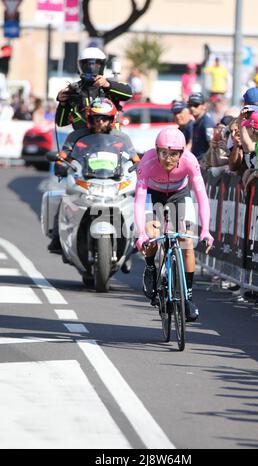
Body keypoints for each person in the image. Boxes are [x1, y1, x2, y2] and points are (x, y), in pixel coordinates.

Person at [49, 98, 139, 275]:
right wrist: (61, 162)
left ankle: (134, 241)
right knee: (63, 199)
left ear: (111, 119)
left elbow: (135, 159)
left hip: (114, 181)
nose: (100, 122)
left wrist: (139, 167)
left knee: (135, 202)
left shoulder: (121, 137)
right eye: (96, 118)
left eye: (104, 118)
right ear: (89, 118)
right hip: (87, 179)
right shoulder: (77, 136)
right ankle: (57, 239)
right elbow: (64, 154)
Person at [134, 127, 214, 322]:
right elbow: (139, 200)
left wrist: (205, 230)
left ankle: (187, 298)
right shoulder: (147, 162)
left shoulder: (190, 161)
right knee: (152, 232)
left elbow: (202, 196)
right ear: (157, 150)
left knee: (186, 241)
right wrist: (141, 234)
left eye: (173, 154)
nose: (168, 159)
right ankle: (151, 267)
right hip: (153, 195)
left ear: (181, 153)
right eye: (164, 153)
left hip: (179, 194)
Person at [55, 47, 132, 129]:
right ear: (81, 66)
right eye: (88, 65)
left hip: (111, 137)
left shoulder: (111, 85)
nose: (92, 68)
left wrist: (107, 85)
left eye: (96, 65)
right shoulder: (73, 90)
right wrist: (62, 103)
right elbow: (61, 123)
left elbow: (128, 94)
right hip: (83, 138)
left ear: (102, 66)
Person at [187, 92, 215, 161]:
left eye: (195, 105)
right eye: (190, 105)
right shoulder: (196, 121)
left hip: (203, 164)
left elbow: (212, 147)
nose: (192, 108)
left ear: (204, 106)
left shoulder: (207, 124)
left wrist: (205, 162)